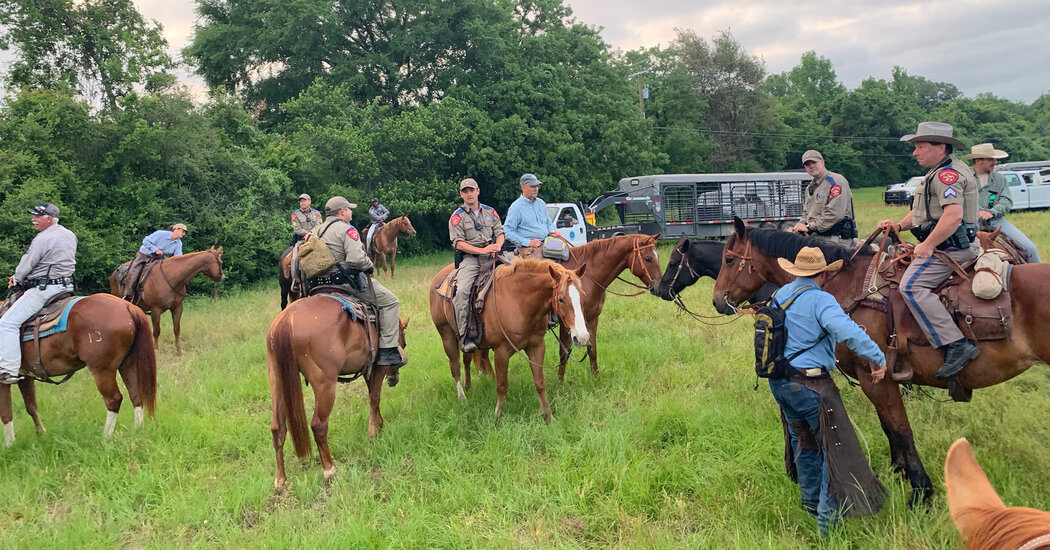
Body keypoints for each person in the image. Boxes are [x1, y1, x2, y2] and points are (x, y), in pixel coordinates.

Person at [769, 246, 888, 537]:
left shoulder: (780, 295)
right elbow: (847, 331)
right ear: (824, 273)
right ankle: (827, 526)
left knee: (804, 443)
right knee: (835, 452)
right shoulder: (822, 300)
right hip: (812, 387)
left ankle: (810, 504)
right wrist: (877, 357)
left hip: (780, 383)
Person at [877, 121, 980, 380]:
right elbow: (923, 212)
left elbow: (953, 215)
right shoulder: (937, 171)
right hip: (945, 244)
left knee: (911, 286)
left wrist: (928, 245)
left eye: (921, 146)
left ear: (940, 147)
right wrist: (898, 224)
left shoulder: (949, 175)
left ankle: (956, 344)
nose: (915, 152)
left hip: (951, 248)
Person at [309, 196, 405, 385]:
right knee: (390, 301)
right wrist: (369, 265)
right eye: (349, 209)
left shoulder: (315, 230)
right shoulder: (347, 229)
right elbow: (356, 259)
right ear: (342, 211)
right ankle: (387, 350)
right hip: (344, 283)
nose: (351, 211)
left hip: (318, 285)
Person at [0, 204, 77, 384]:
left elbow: (28, 263)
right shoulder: (70, 235)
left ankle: (9, 370)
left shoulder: (42, 238)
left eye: (37, 216)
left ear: (49, 219)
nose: (33, 220)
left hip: (44, 289)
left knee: (7, 323)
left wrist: (17, 279)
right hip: (65, 287)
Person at [448, 178, 505, 353]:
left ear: (478, 191)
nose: (469, 194)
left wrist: (498, 246)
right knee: (462, 292)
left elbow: (500, 232)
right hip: (472, 259)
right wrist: (482, 251)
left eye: (471, 190)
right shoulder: (457, 217)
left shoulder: (490, 212)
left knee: (523, 274)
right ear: (461, 194)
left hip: (495, 254)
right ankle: (465, 336)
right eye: (465, 191)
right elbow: (458, 243)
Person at [963, 143, 1041, 262]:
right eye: (991, 159)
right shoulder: (963, 178)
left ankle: (1038, 278)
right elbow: (958, 201)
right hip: (969, 221)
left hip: (996, 220)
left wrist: (992, 212)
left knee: (1030, 248)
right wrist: (977, 212)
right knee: (957, 251)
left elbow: (1006, 200)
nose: (994, 162)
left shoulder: (1000, 179)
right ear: (979, 160)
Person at [789, 150, 856, 244]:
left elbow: (834, 213)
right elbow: (807, 213)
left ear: (822, 162)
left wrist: (809, 227)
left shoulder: (835, 181)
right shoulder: (810, 187)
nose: (811, 166)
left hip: (835, 240)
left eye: (814, 162)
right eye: (808, 164)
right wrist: (799, 226)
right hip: (816, 238)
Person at [122, 223, 187, 302]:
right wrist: (155, 249)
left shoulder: (178, 243)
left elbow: (177, 257)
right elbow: (146, 241)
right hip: (144, 256)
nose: (184, 234)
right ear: (176, 229)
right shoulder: (160, 234)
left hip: (158, 259)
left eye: (185, 232)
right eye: (183, 231)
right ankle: (128, 295)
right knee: (133, 273)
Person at [503, 173, 560, 250]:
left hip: (547, 243)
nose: (536, 188)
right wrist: (527, 242)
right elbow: (507, 231)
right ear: (523, 187)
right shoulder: (516, 207)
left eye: (537, 186)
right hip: (529, 248)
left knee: (567, 256)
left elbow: (548, 222)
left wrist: (552, 231)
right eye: (532, 186)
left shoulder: (541, 203)